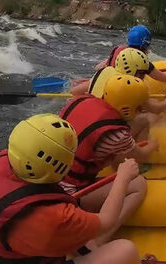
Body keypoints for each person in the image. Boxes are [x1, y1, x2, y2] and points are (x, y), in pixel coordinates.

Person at [0, 114, 141, 264]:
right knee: (126, 250)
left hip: (0, 252)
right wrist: (122, 177)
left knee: (85, 236)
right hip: (42, 234)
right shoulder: (54, 219)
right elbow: (106, 221)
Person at [60, 74, 153, 245]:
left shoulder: (80, 101)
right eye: (139, 106)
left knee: (137, 127)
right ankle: (100, 238)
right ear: (128, 107)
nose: (141, 109)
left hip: (55, 175)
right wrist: (154, 145)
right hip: (69, 193)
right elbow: (143, 154)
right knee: (139, 185)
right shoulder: (117, 135)